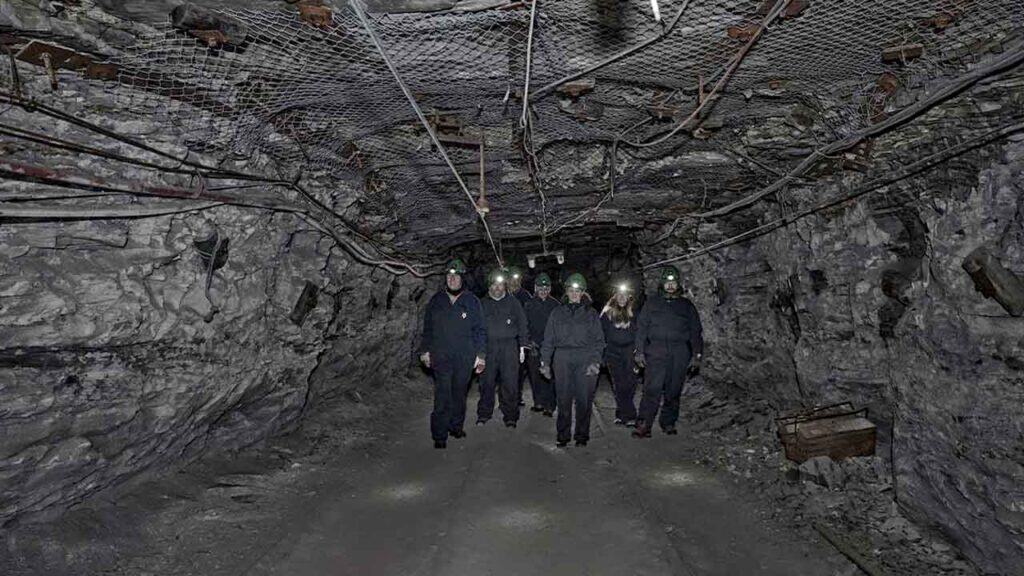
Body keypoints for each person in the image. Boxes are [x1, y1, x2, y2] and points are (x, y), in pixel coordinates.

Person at [419, 258, 487, 449]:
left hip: (464, 358)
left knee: (458, 395)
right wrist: (425, 351)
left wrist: (481, 355)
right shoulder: (436, 301)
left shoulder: (472, 301)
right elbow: (428, 329)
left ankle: (456, 426)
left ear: (463, 278)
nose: (452, 279)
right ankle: (439, 435)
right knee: (442, 396)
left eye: (456, 276)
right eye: (449, 275)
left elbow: (480, 330)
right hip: (441, 357)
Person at [632, 265, 704, 439]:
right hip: (656, 350)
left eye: (673, 283)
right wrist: (639, 351)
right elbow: (641, 328)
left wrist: (697, 354)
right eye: (667, 282)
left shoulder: (686, 306)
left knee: (673, 389)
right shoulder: (652, 303)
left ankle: (668, 422)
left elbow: (695, 331)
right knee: (652, 389)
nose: (670, 286)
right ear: (662, 284)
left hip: (679, 351)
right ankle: (644, 424)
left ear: (678, 284)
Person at [540, 273, 605, 447]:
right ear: (566, 291)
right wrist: (545, 362)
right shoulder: (557, 313)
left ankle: (582, 435)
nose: (575, 293)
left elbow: (599, 341)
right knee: (563, 398)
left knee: (584, 399)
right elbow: (548, 339)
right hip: (562, 358)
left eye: (578, 290)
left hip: (585, 357)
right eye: (571, 290)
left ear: (583, 292)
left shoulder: (591, 314)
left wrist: (595, 361)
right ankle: (563, 435)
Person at [478, 268, 529, 428]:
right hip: (488, 347)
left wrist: (522, 346)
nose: (497, 288)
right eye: (494, 285)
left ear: (505, 286)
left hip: (509, 347)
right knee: (486, 382)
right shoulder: (482, 304)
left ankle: (510, 416)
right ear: (489, 287)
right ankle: (484, 414)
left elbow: (522, 324)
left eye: (500, 285)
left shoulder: (513, 302)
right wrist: (477, 352)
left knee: (510, 383)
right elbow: (475, 328)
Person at [600, 281, 639, 427]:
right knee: (619, 384)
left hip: (630, 352)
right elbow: (600, 333)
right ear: (615, 296)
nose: (622, 297)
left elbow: (640, 332)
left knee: (630, 383)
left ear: (629, 296)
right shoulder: (607, 312)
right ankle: (629, 415)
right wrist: (602, 353)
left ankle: (622, 412)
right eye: (619, 295)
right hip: (613, 352)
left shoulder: (635, 312)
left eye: (625, 295)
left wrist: (639, 350)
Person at [523, 273, 559, 416]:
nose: (543, 290)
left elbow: (559, 327)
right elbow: (524, 325)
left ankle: (550, 405)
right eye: (540, 287)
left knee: (549, 376)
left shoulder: (555, 305)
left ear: (549, 289)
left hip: (550, 348)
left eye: (546, 287)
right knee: (535, 375)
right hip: (534, 346)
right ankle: (538, 402)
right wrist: (529, 341)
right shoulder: (529, 305)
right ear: (535, 288)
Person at [507, 266, 532, 406]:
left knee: (519, 370)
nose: (514, 282)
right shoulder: (501, 294)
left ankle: (517, 396)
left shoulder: (525, 296)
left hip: (519, 340)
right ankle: (507, 396)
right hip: (505, 339)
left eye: (517, 280)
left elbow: (530, 318)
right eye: (511, 279)